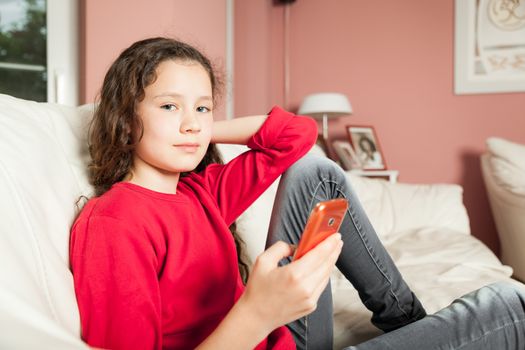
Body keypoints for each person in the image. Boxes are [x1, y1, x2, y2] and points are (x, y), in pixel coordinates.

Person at [69, 37, 525, 350]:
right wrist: (257, 313)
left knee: (315, 171)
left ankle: (405, 320)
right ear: (126, 120)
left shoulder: (201, 192)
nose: (191, 122)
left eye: (203, 107)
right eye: (170, 106)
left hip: (282, 336)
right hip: (259, 328)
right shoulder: (116, 223)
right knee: (510, 305)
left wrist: (204, 132)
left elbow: (297, 137)